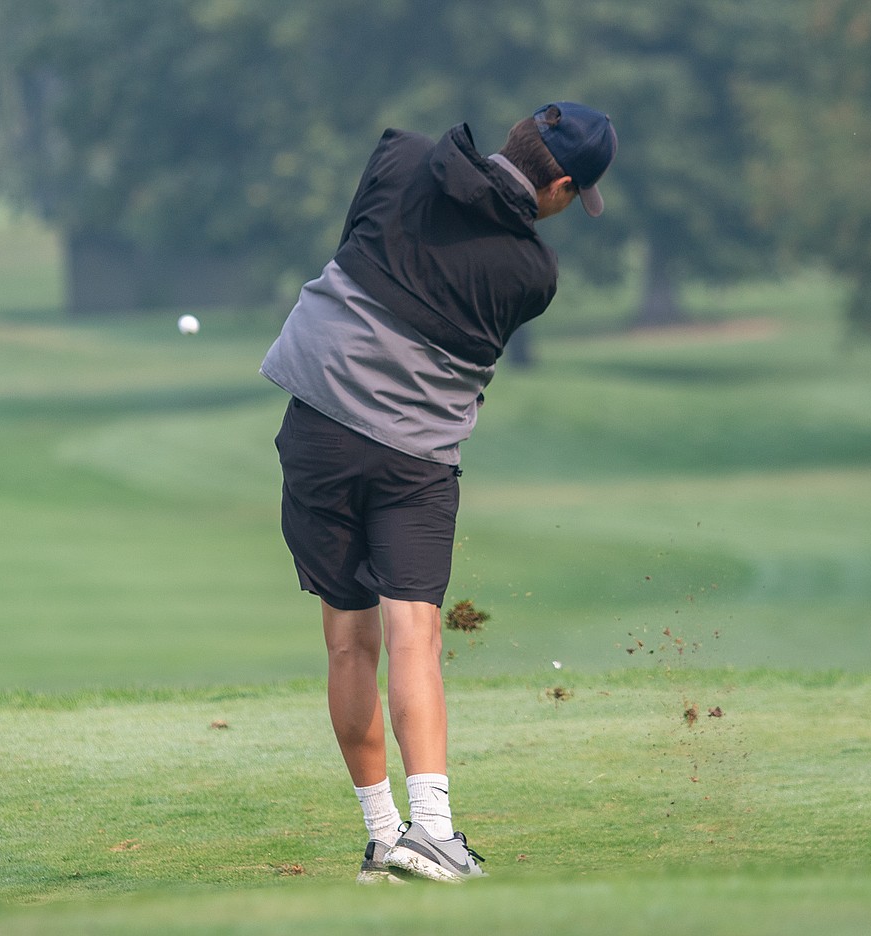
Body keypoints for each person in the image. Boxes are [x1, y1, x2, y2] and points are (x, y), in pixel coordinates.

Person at [260, 102, 617, 883]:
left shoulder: (397, 156)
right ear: (559, 184)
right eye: (573, 196)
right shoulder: (533, 275)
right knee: (413, 634)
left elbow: (360, 246)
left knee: (348, 642)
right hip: (411, 459)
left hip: (317, 430)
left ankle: (385, 837)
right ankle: (435, 833)